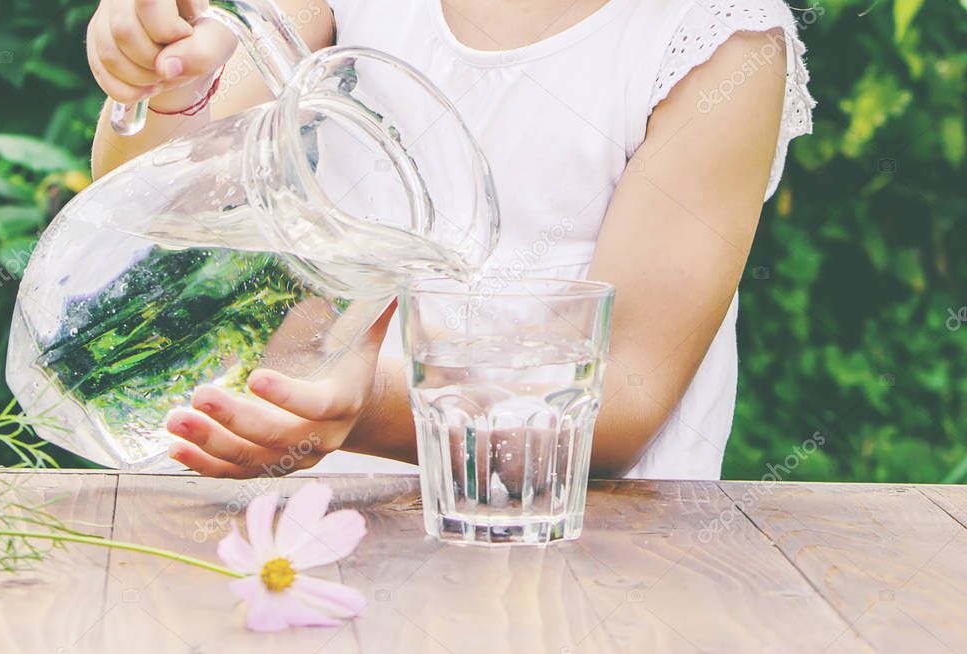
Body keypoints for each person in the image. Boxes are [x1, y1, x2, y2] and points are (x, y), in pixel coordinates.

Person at [86, 0, 815, 480]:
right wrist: (164, 72)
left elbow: (621, 395)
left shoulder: (719, 40)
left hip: (586, 556)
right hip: (322, 525)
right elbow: (153, 184)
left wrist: (364, 407)